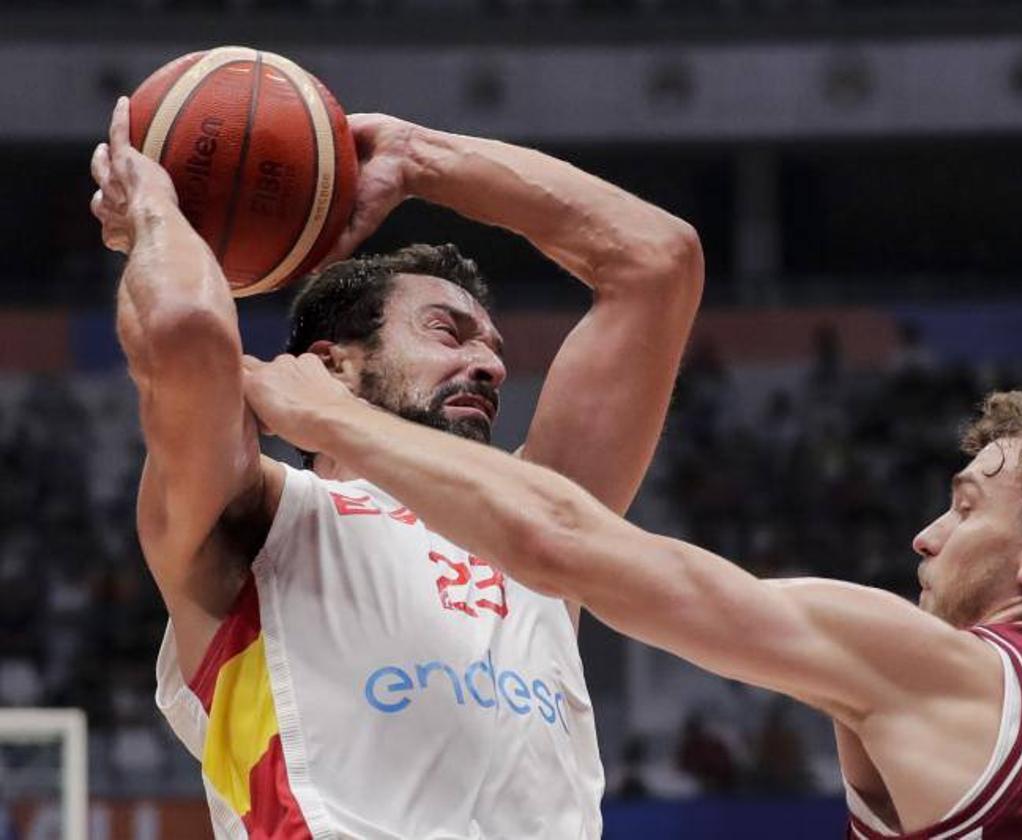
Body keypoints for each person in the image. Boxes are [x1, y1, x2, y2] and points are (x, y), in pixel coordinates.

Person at [239, 357, 1022, 838]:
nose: (927, 534)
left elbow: (559, 544)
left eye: (966, 503)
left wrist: (328, 418)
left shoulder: (953, 675)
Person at [89, 96, 702, 838]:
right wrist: (155, 209)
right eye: (448, 331)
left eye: (496, 350)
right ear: (334, 366)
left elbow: (658, 260)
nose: (487, 364)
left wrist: (419, 158)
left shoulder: (537, 527)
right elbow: (186, 331)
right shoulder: (260, 518)